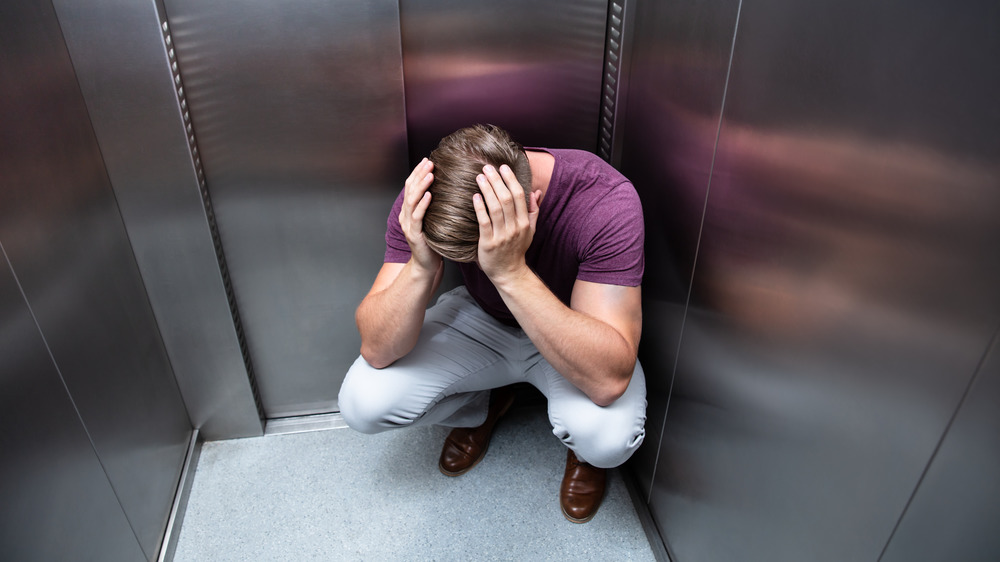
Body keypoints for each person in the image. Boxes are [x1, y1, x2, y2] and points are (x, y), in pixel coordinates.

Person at [339, 124, 647, 523]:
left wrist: (509, 271)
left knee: (606, 440)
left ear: (529, 203)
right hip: (481, 320)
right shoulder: (429, 191)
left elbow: (608, 382)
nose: (472, 266)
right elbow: (377, 350)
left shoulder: (603, 200)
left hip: (569, 327)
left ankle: (581, 453)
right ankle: (481, 407)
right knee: (363, 403)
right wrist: (421, 263)